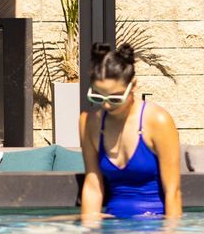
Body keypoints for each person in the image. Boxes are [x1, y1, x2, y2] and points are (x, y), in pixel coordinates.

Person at [78, 43, 183, 221]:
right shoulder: (89, 122)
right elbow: (93, 184)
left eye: (115, 97)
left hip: (154, 226)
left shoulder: (158, 121)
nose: (106, 105)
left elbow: (173, 192)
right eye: (98, 96)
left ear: (133, 85)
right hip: (113, 225)